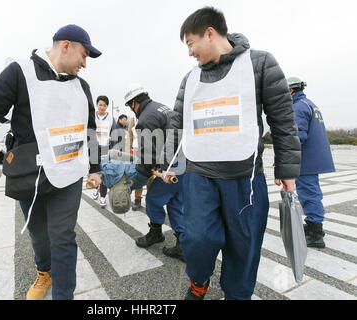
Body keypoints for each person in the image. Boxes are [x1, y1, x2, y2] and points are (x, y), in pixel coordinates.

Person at [0, 24, 102, 300]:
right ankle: (44, 271)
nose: (84, 64)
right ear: (66, 46)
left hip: (69, 173)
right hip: (31, 174)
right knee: (39, 235)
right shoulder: (19, 72)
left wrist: (95, 169)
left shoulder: (81, 87)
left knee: (63, 237)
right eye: (83, 55)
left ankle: (64, 295)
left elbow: (90, 130)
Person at [170, 7, 301, 300]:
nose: (190, 52)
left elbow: (282, 119)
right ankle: (199, 281)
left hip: (244, 178)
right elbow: (176, 125)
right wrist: (170, 164)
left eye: (191, 43)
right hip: (198, 175)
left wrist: (288, 170)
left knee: (245, 246)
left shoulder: (260, 63)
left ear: (210, 33)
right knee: (198, 238)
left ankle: (237, 295)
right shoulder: (190, 79)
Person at [124, 83, 185, 260]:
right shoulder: (161, 107)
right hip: (183, 161)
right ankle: (182, 244)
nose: (132, 110)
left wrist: (140, 175)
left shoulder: (146, 117)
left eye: (130, 106)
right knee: (175, 203)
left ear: (134, 103)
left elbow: (148, 152)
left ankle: (156, 233)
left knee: (153, 198)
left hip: (169, 165)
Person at [287, 76, 335, 248]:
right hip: (313, 158)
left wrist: (284, 157)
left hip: (306, 159)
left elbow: (297, 137)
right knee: (311, 192)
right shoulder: (309, 104)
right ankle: (314, 225)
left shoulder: (297, 107)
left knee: (309, 194)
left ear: (291, 90)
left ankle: (315, 233)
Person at [91, 95, 114, 208]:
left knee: (104, 172)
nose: (102, 107)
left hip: (105, 147)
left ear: (107, 106)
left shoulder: (110, 118)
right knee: (95, 171)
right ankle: (95, 188)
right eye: (100, 104)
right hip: (94, 147)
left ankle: (103, 197)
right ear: (97, 105)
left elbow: (113, 133)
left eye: (104, 105)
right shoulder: (92, 116)